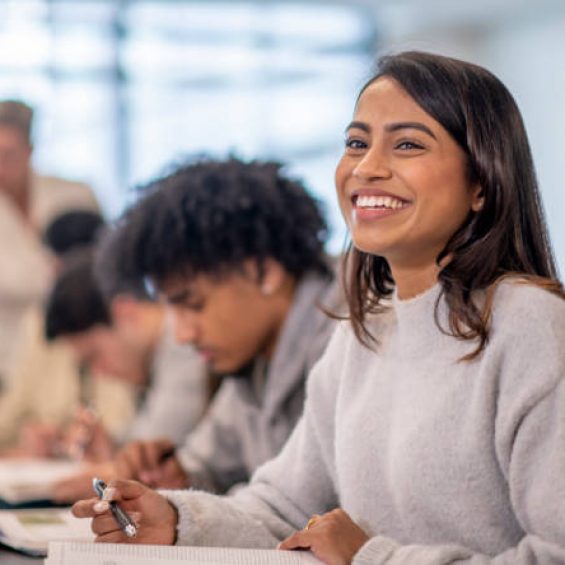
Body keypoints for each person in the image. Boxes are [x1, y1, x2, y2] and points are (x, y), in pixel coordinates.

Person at [73, 51, 565, 564]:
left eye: (407, 144)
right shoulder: (364, 332)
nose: (368, 167)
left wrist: (371, 558)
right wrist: (174, 520)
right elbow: (283, 506)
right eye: (356, 143)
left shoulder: (528, 324)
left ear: (482, 182)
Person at [70, 157, 342, 497]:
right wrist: (175, 476)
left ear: (263, 270)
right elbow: (207, 463)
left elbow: (303, 508)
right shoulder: (253, 360)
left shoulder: (350, 335)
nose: (183, 335)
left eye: (193, 305)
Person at [43, 246, 209, 463]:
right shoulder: (156, 356)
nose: (98, 372)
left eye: (95, 355)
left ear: (125, 311)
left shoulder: (184, 345)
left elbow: (153, 449)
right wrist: (108, 444)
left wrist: (111, 454)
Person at [0, 210, 136, 453]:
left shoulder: (119, 323)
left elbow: (125, 426)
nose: (51, 275)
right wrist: (28, 437)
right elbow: (13, 410)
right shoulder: (40, 323)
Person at [0, 99, 100, 380]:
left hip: (77, 344)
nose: (1, 166)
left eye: (9, 154)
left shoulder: (74, 195)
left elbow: (102, 268)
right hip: (7, 358)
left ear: (29, 151)